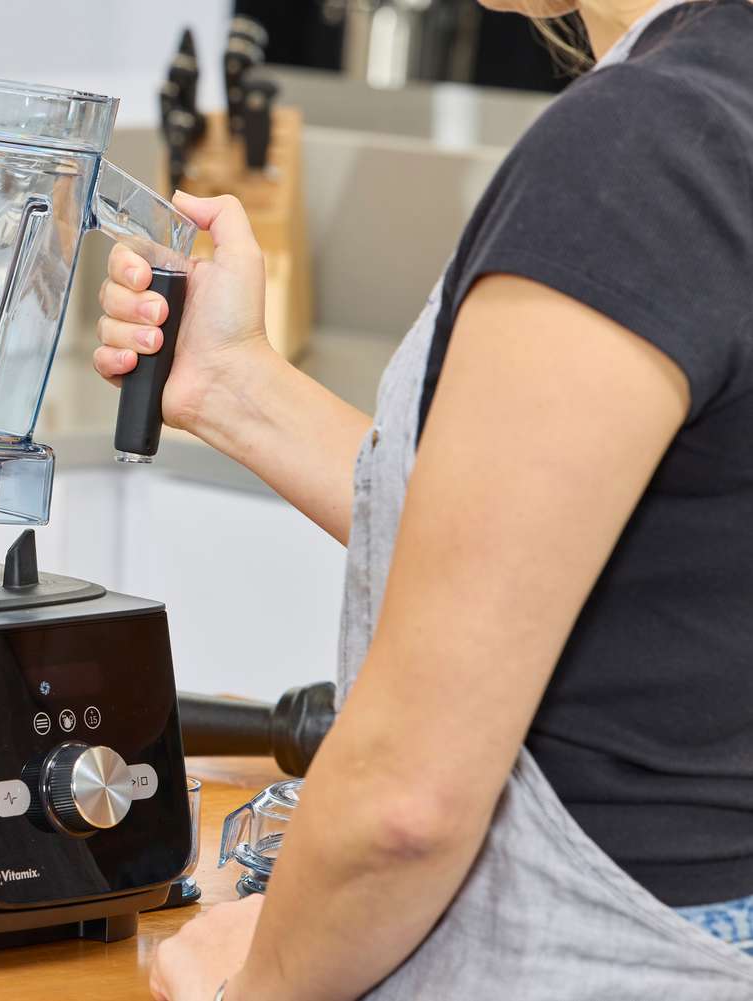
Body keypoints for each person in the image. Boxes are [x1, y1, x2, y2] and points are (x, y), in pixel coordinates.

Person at [93, 1, 753, 998]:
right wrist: (231, 383)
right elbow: (544, 548)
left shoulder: (638, 154)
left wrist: (258, 978)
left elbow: (404, 808)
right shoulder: (721, 107)